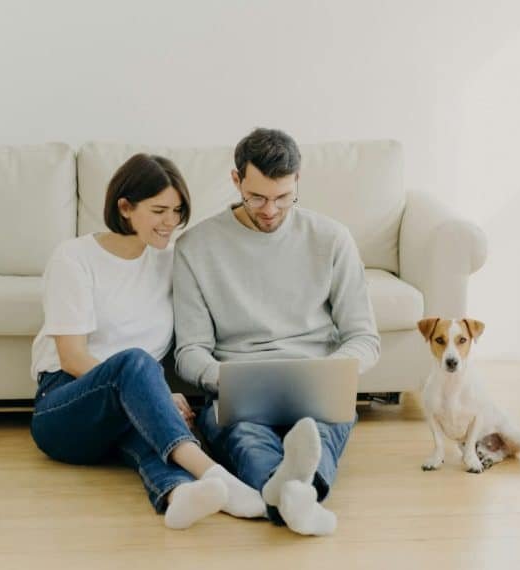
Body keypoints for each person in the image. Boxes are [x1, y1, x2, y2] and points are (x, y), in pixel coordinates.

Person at [30, 154, 266, 529]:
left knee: (150, 434)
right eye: (159, 210)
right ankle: (216, 475)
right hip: (64, 408)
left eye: (177, 210)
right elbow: (73, 357)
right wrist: (151, 389)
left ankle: (179, 495)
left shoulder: (171, 262)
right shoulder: (74, 257)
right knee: (136, 362)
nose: (170, 222)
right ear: (125, 207)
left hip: (129, 410)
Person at [173, 128, 380, 536]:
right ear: (236, 181)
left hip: (316, 379)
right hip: (239, 386)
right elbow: (190, 350)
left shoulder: (332, 238)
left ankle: (288, 494)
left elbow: (364, 337)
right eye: (258, 198)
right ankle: (299, 497)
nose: (270, 210)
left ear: (298, 181)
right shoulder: (196, 247)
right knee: (244, 436)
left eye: (283, 197)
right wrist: (224, 378)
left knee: (323, 429)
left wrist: (330, 372)